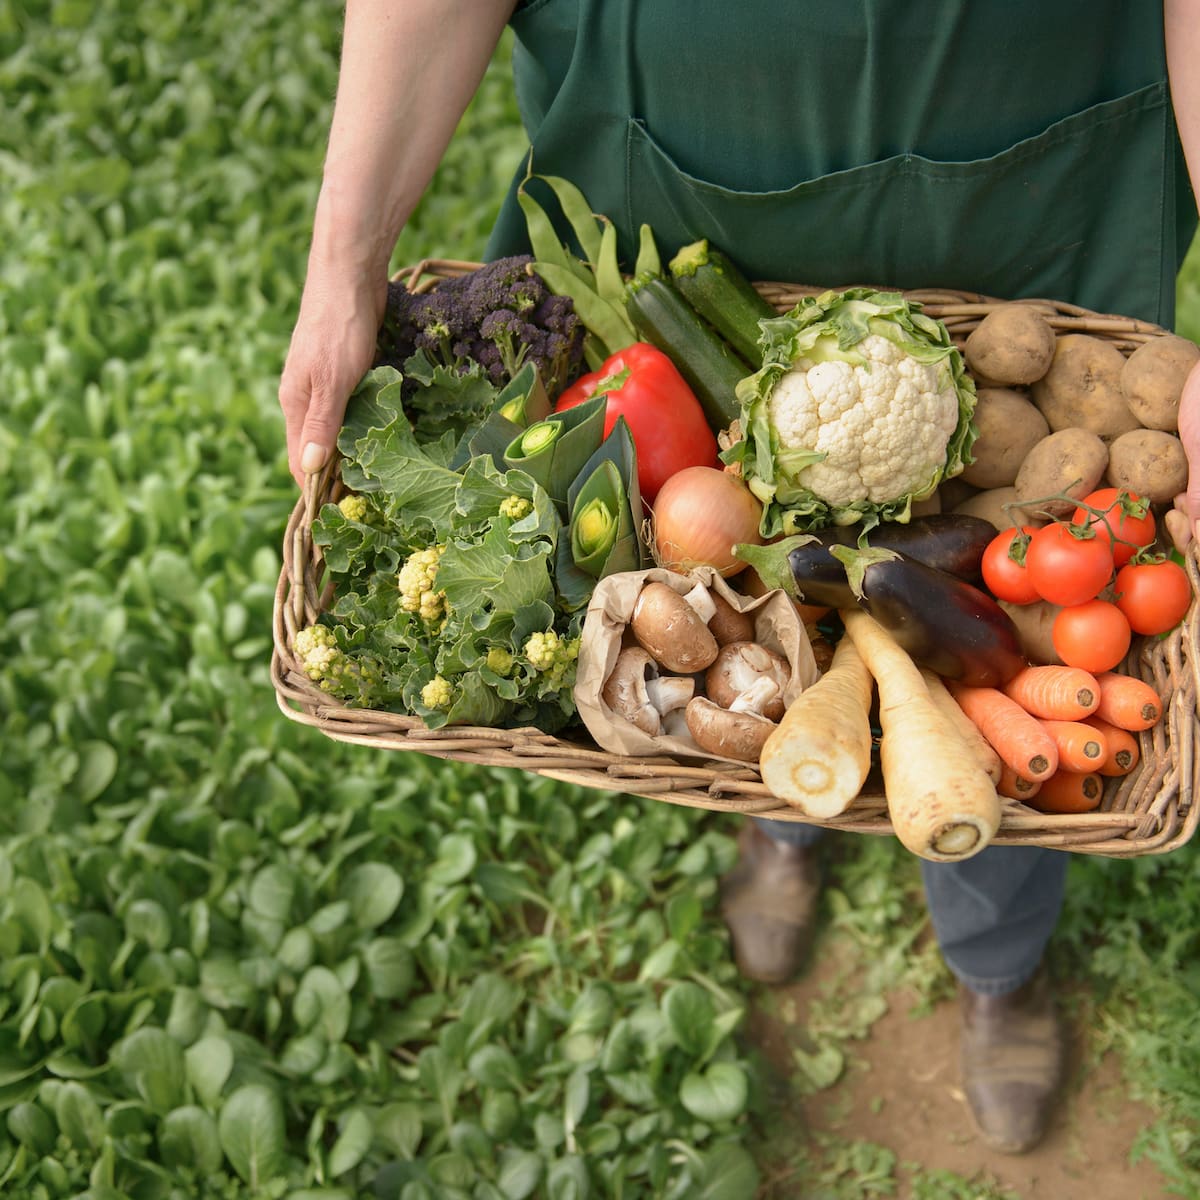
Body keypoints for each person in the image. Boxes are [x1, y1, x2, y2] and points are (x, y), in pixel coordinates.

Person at [280, 0, 1200, 1156]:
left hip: (1031, 177)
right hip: (678, 176)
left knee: (1013, 661)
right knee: (772, 642)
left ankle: (996, 955)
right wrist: (344, 256)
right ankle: (782, 821)